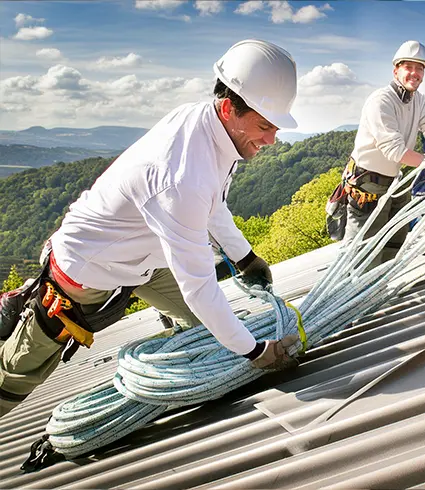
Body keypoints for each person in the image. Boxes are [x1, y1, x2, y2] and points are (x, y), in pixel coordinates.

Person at [0, 39, 301, 418]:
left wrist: (245, 257)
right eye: (263, 126)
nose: (271, 139)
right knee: (18, 375)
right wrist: (257, 352)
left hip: (143, 255)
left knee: (210, 333)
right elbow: (200, 286)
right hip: (86, 271)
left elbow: (212, 205)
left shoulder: (212, 128)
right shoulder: (181, 175)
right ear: (229, 108)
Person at [338, 41, 425, 268]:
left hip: (394, 182)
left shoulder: (419, 101)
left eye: (420, 68)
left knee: (393, 242)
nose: (415, 73)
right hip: (367, 185)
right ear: (396, 70)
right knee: (362, 251)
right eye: (409, 67)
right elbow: (394, 150)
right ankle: (359, 296)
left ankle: (379, 289)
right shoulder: (382, 100)